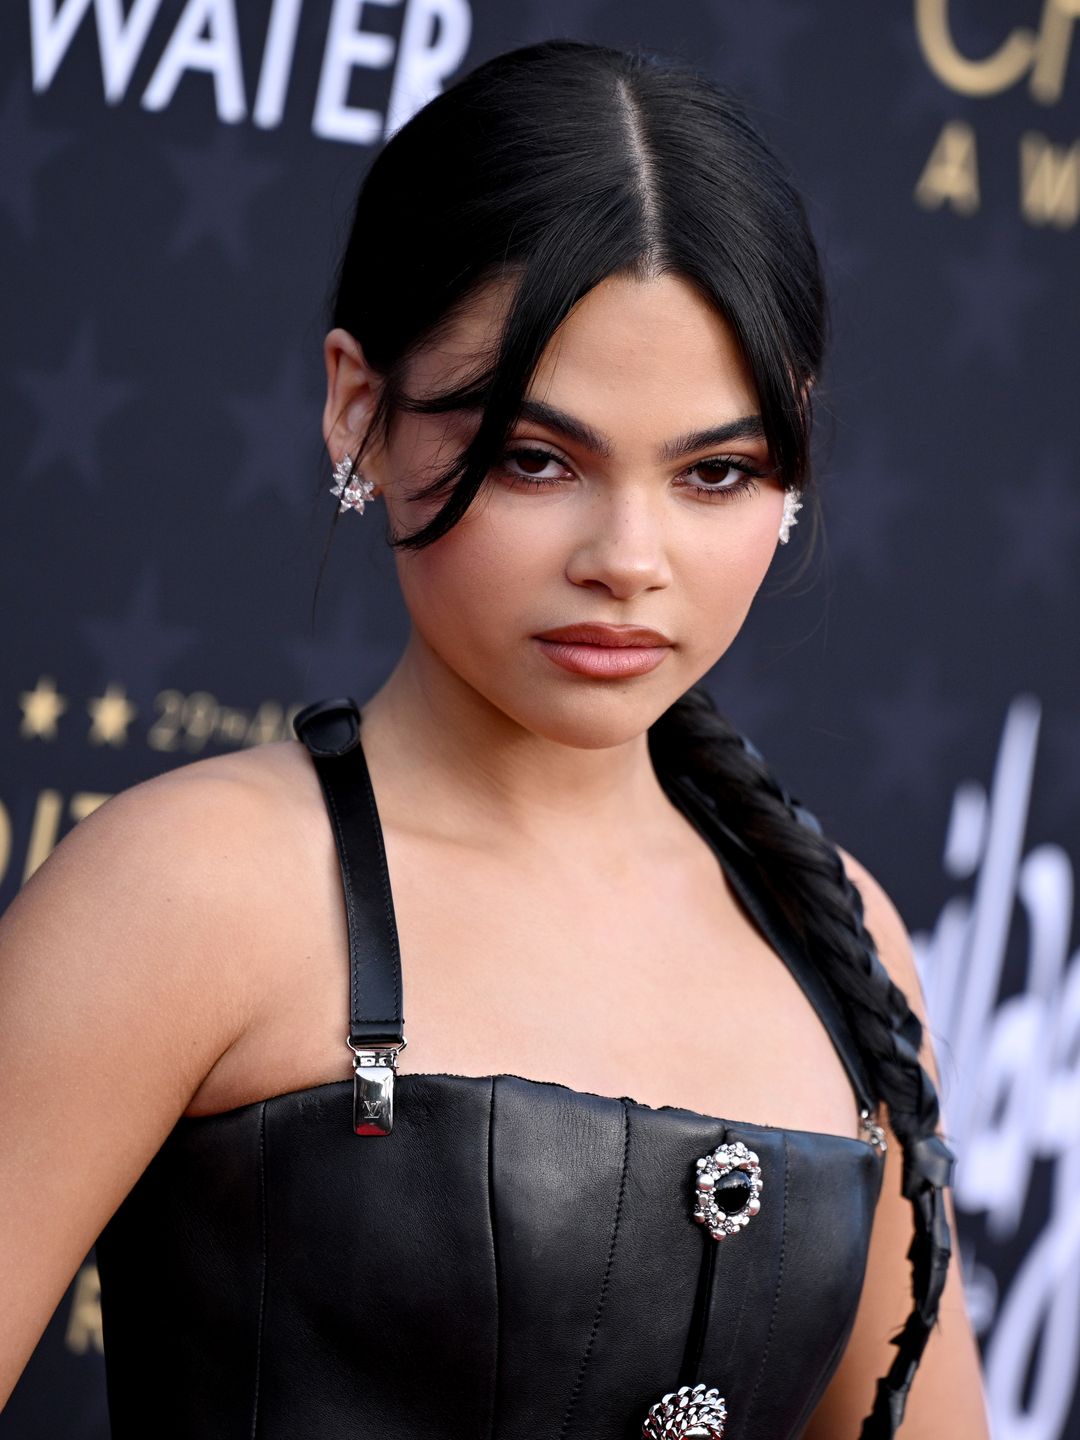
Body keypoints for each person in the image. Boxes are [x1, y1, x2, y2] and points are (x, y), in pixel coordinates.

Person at [0, 37, 989, 1439]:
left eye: (716, 471)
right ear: (360, 406)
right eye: (539, 457)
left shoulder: (838, 941)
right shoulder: (190, 892)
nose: (629, 558)